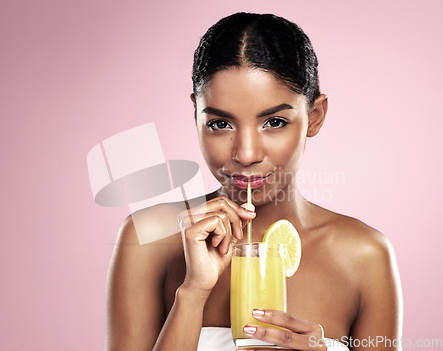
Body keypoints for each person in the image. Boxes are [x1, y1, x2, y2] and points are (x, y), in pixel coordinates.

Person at [104, 12, 402, 351]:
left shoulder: (364, 256)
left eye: (274, 121)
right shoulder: (150, 238)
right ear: (196, 116)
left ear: (314, 117)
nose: (245, 154)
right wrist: (192, 294)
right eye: (220, 124)